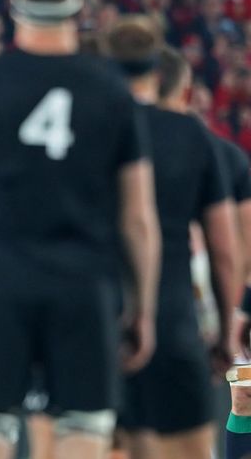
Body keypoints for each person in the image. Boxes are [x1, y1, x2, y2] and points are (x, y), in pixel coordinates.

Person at [0, 0, 162, 459]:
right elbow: (137, 218)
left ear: (13, 11)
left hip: (1, 278)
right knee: (81, 429)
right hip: (85, 282)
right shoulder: (111, 91)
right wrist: (142, 306)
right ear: (77, 12)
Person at [105, 17, 240, 459]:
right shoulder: (194, 137)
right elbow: (224, 250)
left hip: (94, 318)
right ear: (160, 76)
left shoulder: (88, 130)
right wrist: (225, 332)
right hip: (172, 318)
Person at [155, 45, 251, 458]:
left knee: (240, 396)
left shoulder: (222, 155)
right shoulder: (118, 144)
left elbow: (240, 242)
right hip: (162, 299)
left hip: (216, 296)